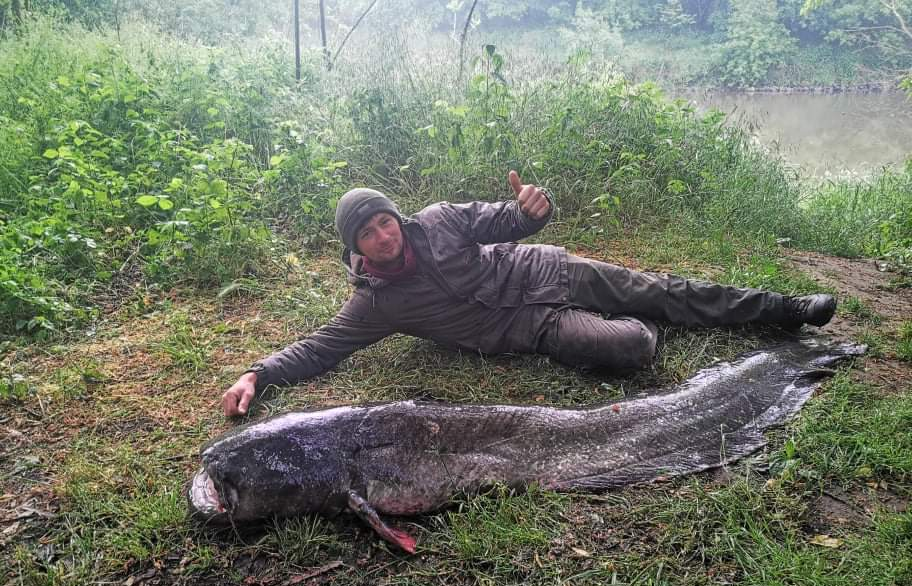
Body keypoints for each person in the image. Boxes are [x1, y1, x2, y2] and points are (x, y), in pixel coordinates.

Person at [221, 171, 836, 417]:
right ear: (356, 247)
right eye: (367, 234)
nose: (383, 237)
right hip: (533, 330)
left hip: (546, 274)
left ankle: (785, 309)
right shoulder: (375, 303)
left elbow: (505, 220)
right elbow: (321, 346)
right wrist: (258, 373)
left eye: (385, 222)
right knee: (633, 348)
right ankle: (630, 318)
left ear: (396, 217)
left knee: (662, 291)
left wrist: (531, 212)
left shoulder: (438, 220)